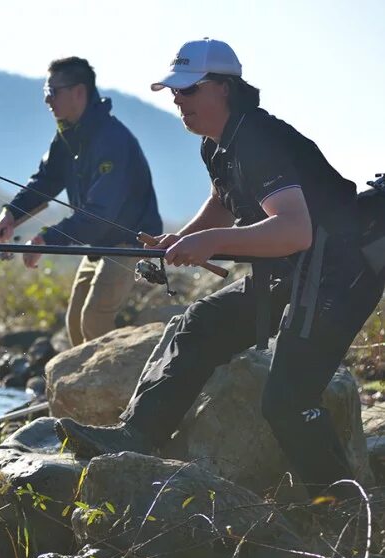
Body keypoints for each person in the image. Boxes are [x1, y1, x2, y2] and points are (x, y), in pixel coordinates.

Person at [55, 38, 385, 498]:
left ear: (223, 89)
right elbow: (222, 204)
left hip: (339, 271)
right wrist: (182, 238)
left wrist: (209, 243)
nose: (177, 99)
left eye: (188, 90)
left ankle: (339, 505)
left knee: (288, 401)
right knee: (201, 323)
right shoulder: (217, 144)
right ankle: (138, 435)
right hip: (294, 269)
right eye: (174, 91)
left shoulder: (258, 139)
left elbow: (294, 230)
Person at [0, 57, 162, 346]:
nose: (47, 99)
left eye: (52, 91)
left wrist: (46, 239)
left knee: (94, 320)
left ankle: (118, 389)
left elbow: (98, 214)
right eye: (45, 91)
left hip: (130, 244)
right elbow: (44, 182)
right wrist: (10, 215)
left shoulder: (112, 140)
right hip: (99, 244)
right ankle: (87, 391)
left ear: (78, 92)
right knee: (75, 324)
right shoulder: (68, 137)